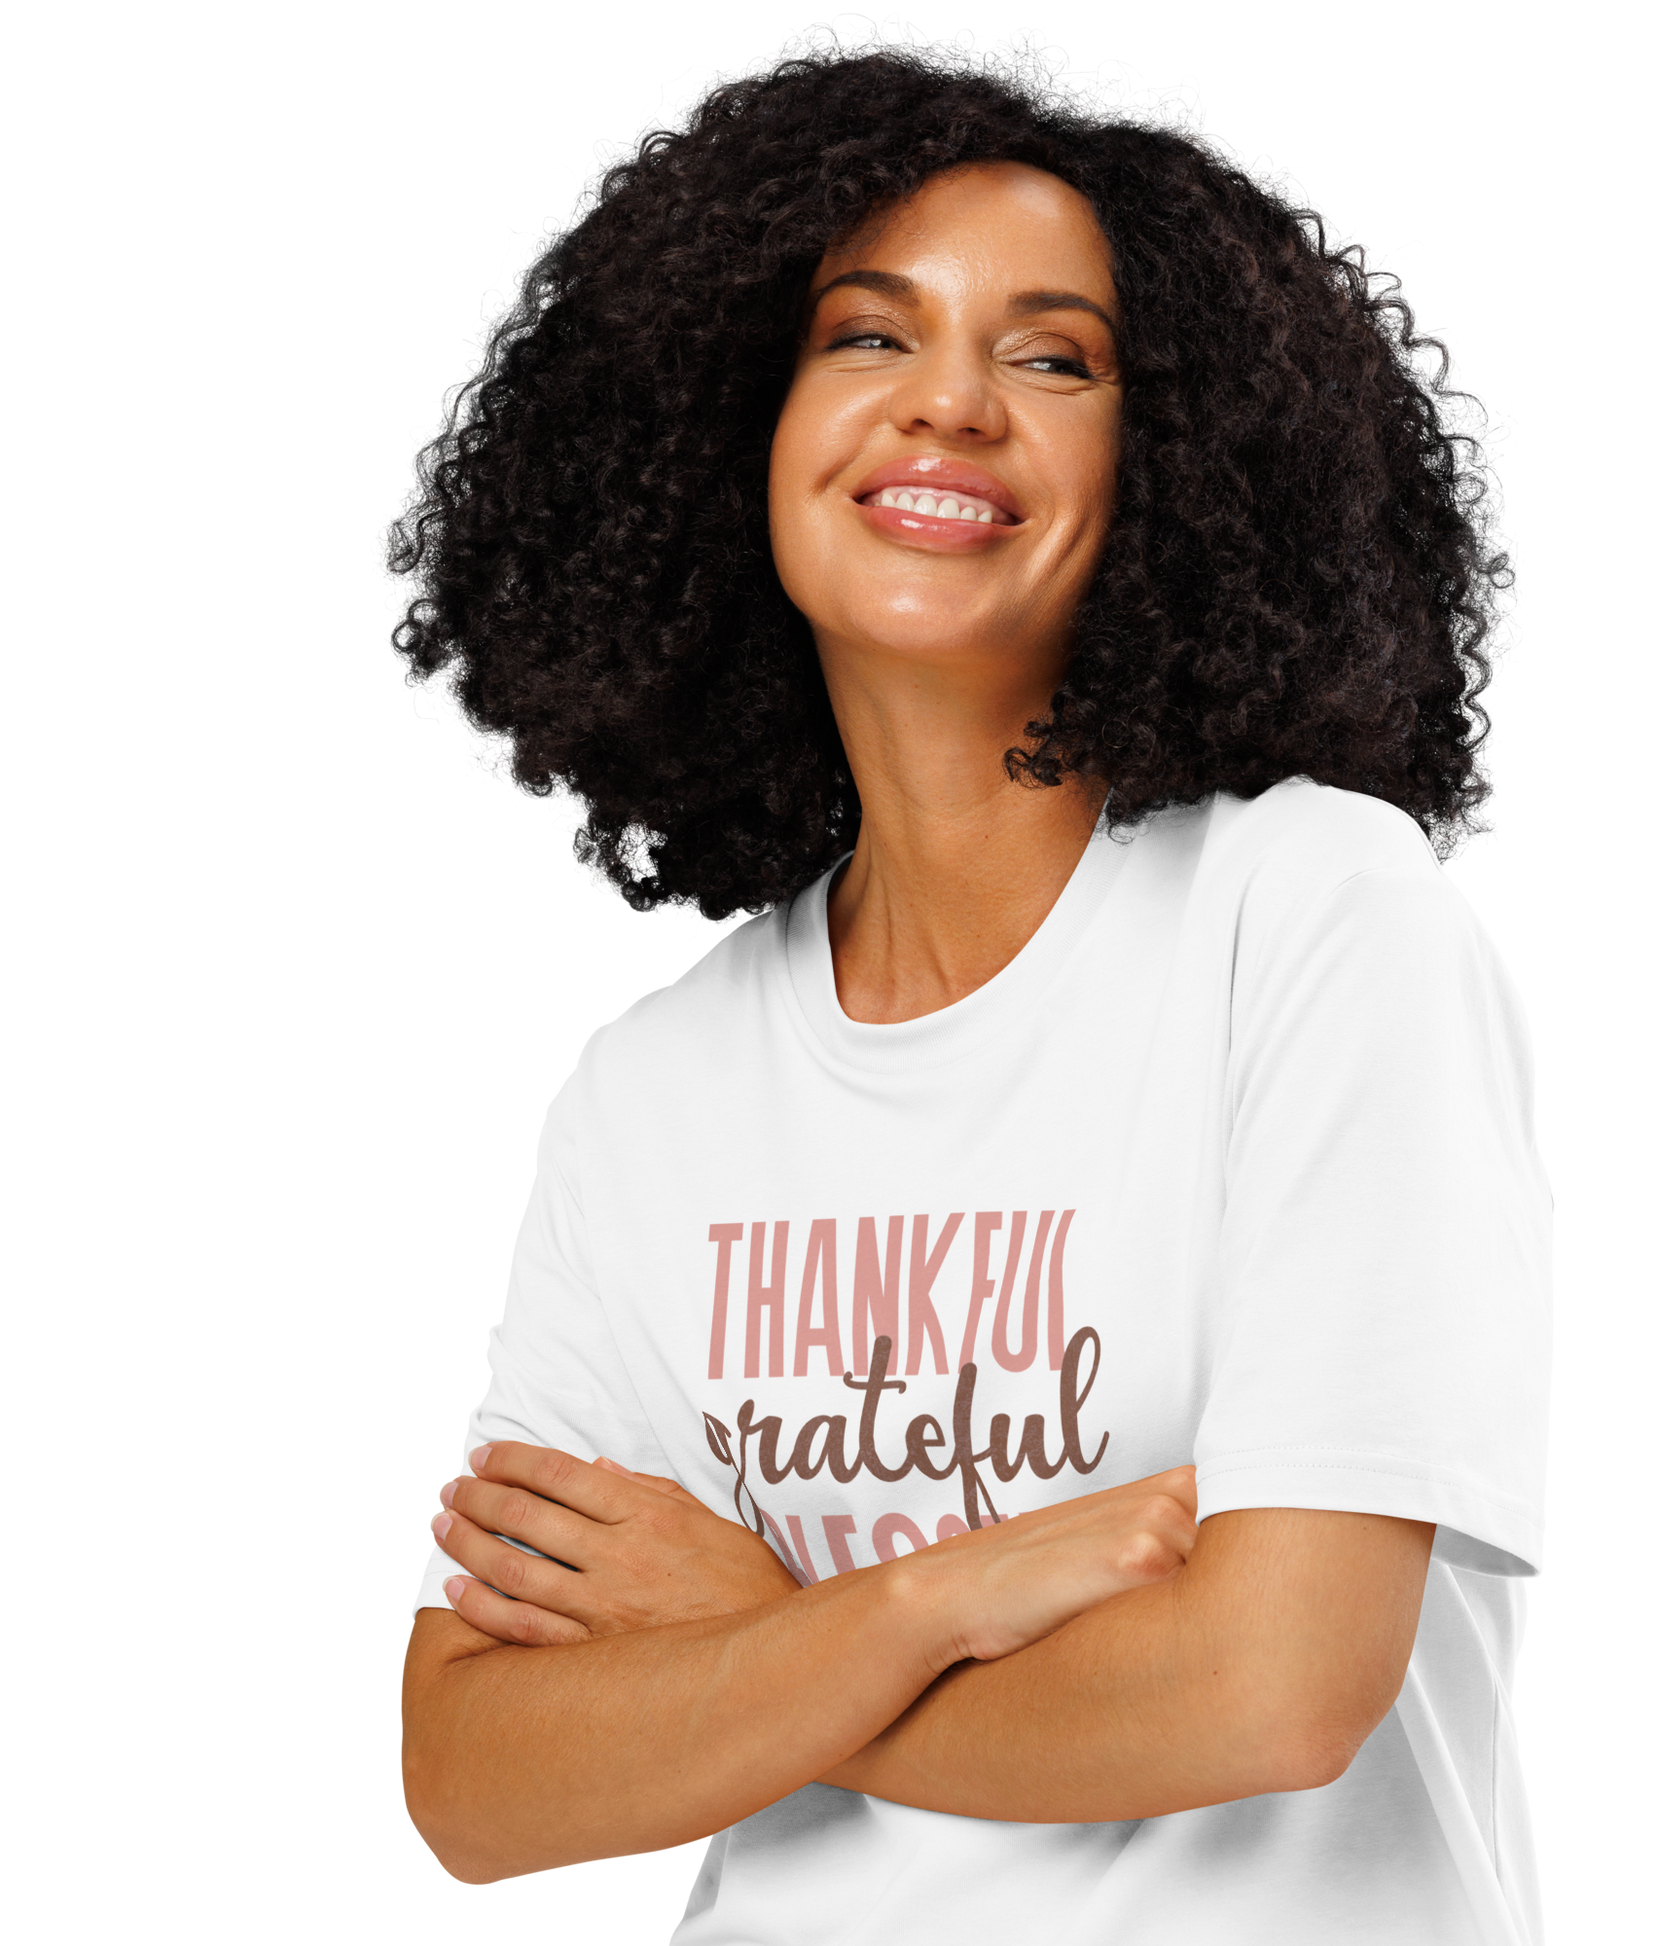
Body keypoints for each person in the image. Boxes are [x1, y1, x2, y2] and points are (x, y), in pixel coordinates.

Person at [377, 17, 1553, 1943]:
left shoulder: (1316, 919)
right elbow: (475, 1780)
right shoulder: (652, 1087)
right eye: (866, 334)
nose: (947, 403)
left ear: (1174, 458)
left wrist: (749, 1646)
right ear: (734, 422)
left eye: (1053, 355)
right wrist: (919, 1603)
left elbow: (1272, 1690)